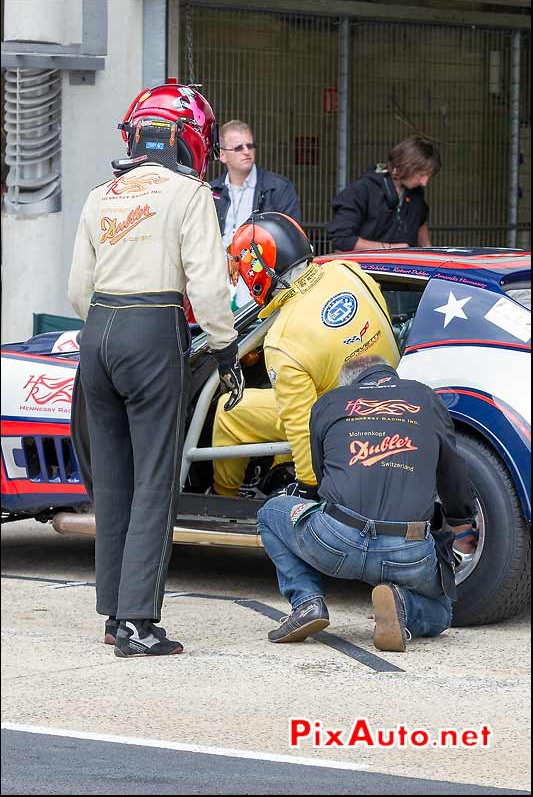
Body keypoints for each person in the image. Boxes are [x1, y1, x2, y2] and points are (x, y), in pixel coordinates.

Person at [67, 81, 244, 658]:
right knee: (154, 483)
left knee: (113, 484)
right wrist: (224, 348)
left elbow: (77, 291)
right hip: (152, 327)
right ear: (188, 137)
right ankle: (139, 624)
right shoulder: (189, 194)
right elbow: (210, 286)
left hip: (98, 331)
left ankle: (113, 614)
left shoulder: (103, 194)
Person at [257, 355, 477, 650]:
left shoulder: (329, 402)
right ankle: (403, 605)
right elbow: (453, 472)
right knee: (441, 612)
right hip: (407, 551)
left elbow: (323, 480)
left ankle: (307, 602)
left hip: (336, 540)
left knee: (270, 512)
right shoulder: (426, 397)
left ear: (349, 381)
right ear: (391, 375)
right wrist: (460, 516)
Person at [211, 212, 401, 500]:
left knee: (229, 409)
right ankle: (275, 469)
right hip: (389, 398)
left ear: (257, 271)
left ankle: (221, 499)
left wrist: (308, 488)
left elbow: (301, 428)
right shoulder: (349, 271)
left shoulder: (282, 340)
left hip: (339, 421)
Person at [210, 121, 302, 310]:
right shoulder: (211, 192)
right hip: (218, 283)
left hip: (262, 283)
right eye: (238, 147)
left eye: (250, 145)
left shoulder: (278, 187)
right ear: (222, 155)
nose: (246, 151)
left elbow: (294, 239)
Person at [327, 136, 441, 253]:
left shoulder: (416, 192)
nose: (425, 182)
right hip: (364, 267)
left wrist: (429, 251)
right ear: (406, 166)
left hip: (403, 267)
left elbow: (421, 221)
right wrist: (391, 249)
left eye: (428, 176)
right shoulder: (362, 189)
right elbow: (341, 238)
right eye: (421, 175)